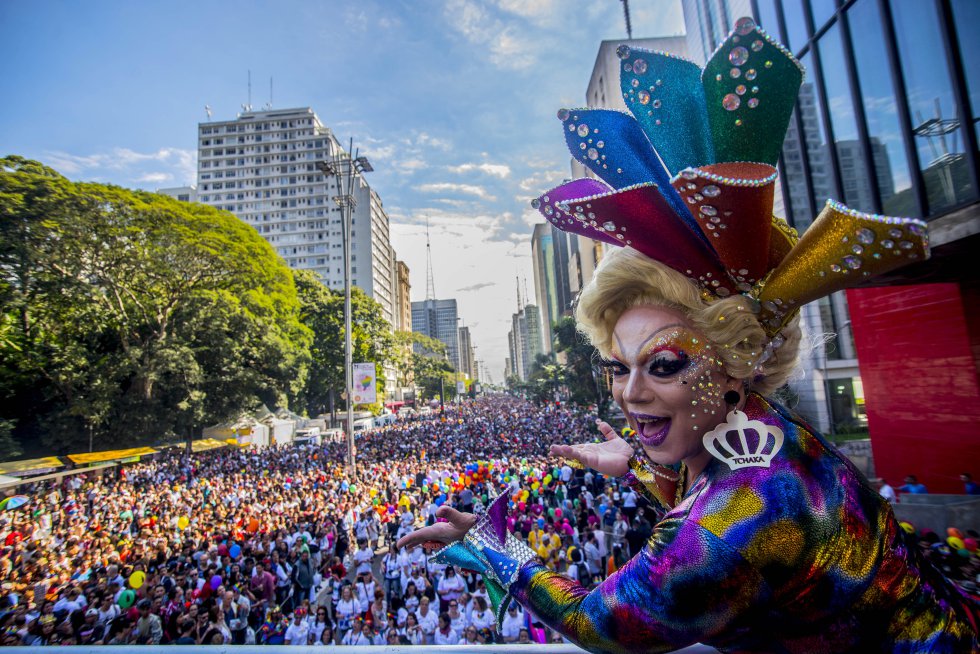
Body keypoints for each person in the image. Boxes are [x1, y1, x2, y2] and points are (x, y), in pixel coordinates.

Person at [399, 17, 978, 652]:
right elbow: (728, 478)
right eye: (618, 368)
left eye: (665, 365)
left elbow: (605, 624)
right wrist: (642, 468)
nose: (630, 395)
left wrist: (490, 544)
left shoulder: (731, 520)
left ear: (737, 365)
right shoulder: (763, 430)